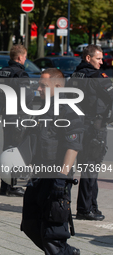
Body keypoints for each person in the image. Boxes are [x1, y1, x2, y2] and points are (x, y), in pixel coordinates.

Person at [21, 68, 83, 255]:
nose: (38, 89)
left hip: (56, 179)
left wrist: (61, 178)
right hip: (38, 176)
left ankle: (63, 251)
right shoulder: (40, 108)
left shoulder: (69, 111)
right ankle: (67, 252)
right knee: (30, 224)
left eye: (42, 85)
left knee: (52, 235)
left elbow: (73, 146)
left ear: (57, 86)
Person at [68, 44, 113, 221]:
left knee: (85, 167)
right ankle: (85, 209)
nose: (102, 62)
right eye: (99, 58)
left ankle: (91, 206)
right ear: (88, 58)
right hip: (94, 128)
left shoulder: (75, 75)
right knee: (90, 167)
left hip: (77, 126)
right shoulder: (97, 76)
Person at [0, 44, 34, 196]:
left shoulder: (2, 72)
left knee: (7, 148)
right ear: (19, 57)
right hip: (18, 115)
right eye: (24, 57)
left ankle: (5, 186)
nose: (25, 60)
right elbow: (28, 96)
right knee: (16, 150)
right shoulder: (20, 74)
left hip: (6, 114)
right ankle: (12, 186)